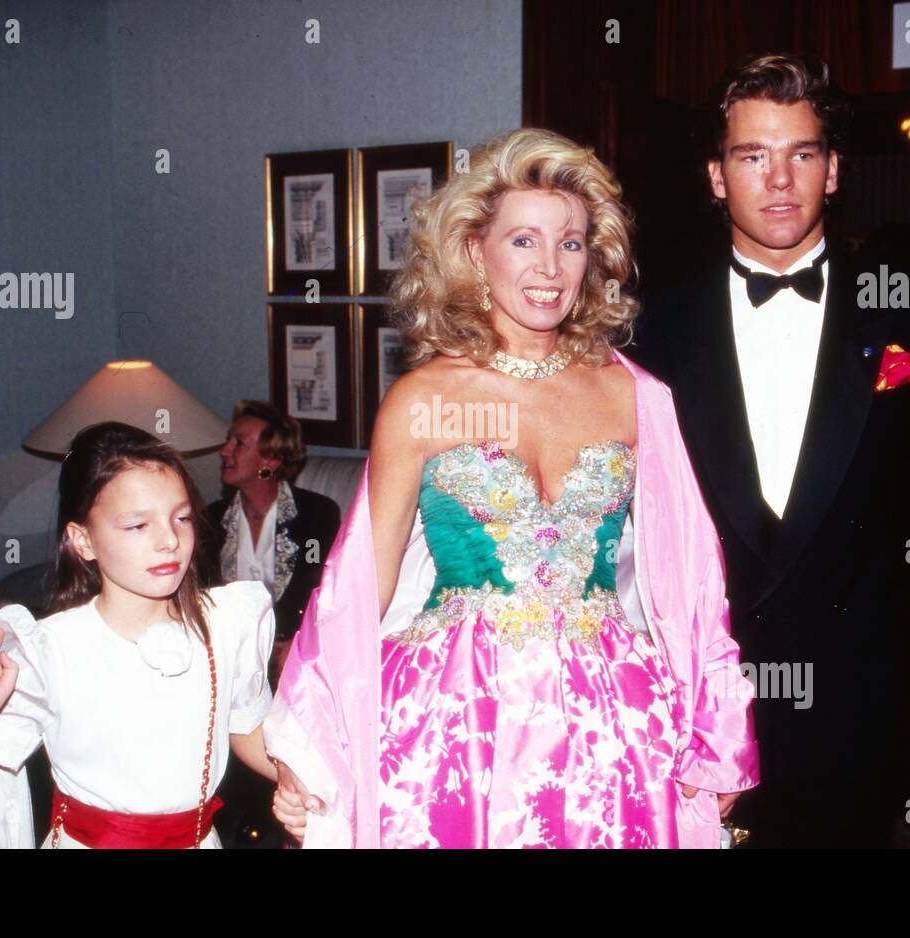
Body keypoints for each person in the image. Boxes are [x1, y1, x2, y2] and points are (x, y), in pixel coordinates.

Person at [265, 127, 758, 848]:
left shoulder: (637, 396)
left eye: (572, 242)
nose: (550, 267)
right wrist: (301, 749)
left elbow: (694, 581)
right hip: (452, 720)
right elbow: (355, 587)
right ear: (475, 251)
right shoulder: (423, 399)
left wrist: (714, 738)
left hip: (612, 719)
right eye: (524, 241)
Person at [633, 53, 910, 847]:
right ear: (715, 176)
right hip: (698, 691)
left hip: (861, 693)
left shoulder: (905, 319)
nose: (778, 180)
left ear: (833, 172)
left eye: (801, 154)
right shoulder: (651, 328)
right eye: (751, 156)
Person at [0, 421, 277, 848]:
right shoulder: (51, 650)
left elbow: (248, 729)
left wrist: (316, 780)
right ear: (83, 541)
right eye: (138, 525)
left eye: (181, 517)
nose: (169, 540)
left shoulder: (226, 625)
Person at [205, 400, 341, 688]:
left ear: (271, 460)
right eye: (228, 439)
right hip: (228, 659)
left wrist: (297, 639)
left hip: (290, 657)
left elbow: (320, 584)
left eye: (238, 443)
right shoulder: (211, 519)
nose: (224, 450)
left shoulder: (317, 515)